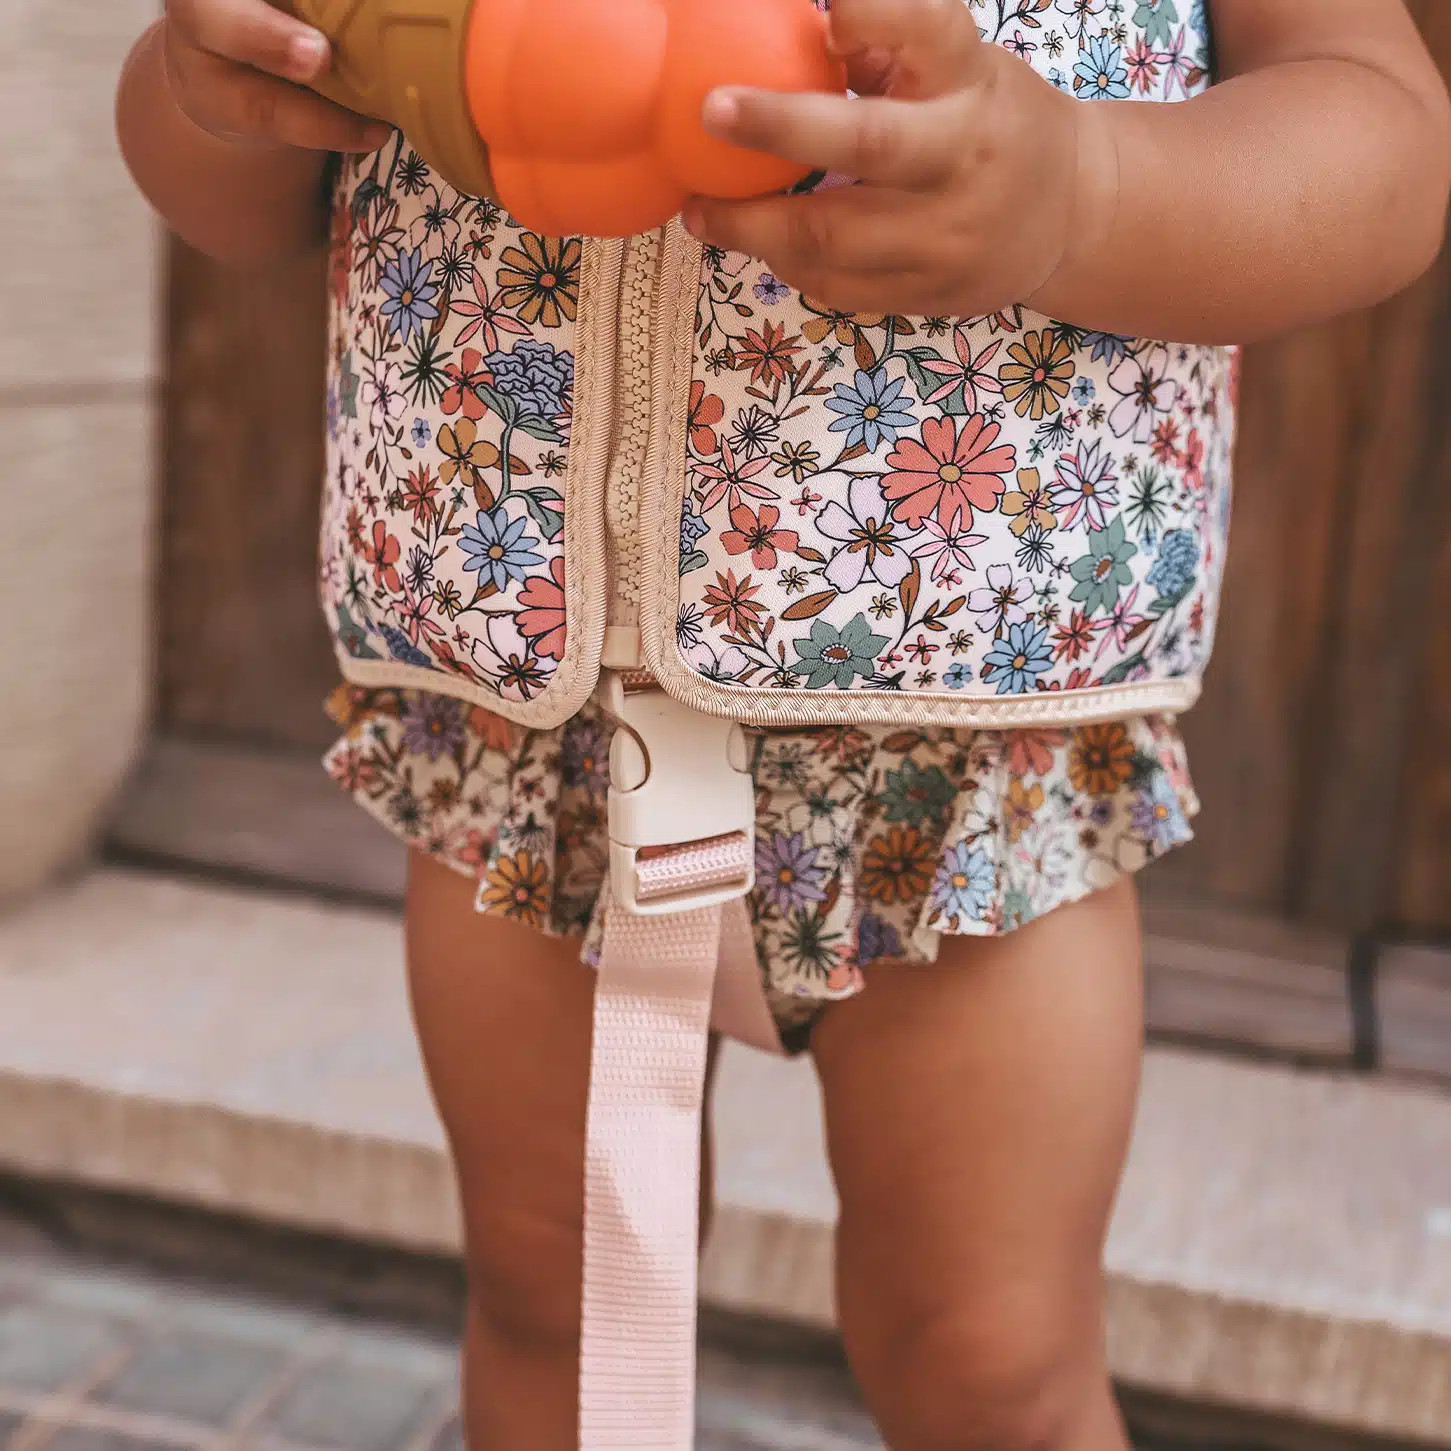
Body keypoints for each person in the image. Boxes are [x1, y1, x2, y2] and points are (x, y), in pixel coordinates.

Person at [116, 3, 1451, 1448]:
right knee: (555, 1302)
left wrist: (1084, 191)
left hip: (971, 754)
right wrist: (208, 90)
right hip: (523, 730)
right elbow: (228, 189)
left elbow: (1376, 133)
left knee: (992, 1359)